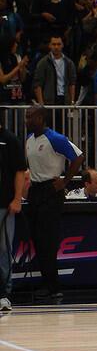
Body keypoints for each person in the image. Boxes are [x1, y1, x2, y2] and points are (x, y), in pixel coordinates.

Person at [25, 104, 85, 299]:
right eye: (26, 117)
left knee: (47, 240)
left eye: (31, 117)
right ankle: (46, 282)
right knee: (37, 238)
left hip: (51, 190)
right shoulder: (29, 140)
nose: (27, 120)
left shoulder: (55, 138)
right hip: (35, 191)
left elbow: (78, 157)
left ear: (42, 118)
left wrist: (65, 180)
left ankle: (53, 285)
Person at [0, 118, 27, 311]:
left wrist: (17, 199)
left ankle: (4, 294)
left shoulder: (10, 140)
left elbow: (20, 171)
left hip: (4, 204)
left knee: (3, 249)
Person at [32, 35, 76, 106]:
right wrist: (41, 103)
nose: (56, 47)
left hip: (65, 100)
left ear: (62, 45)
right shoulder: (43, 63)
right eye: (54, 44)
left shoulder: (69, 63)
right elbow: (37, 84)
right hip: (49, 101)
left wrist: (72, 101)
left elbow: (72, 83)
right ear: (49, 45)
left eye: (58, 44)